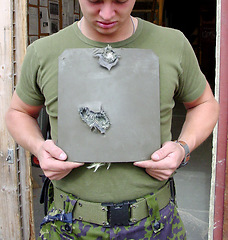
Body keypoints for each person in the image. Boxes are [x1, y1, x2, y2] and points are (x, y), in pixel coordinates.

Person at [5, 0, 219, 239]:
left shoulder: (172, 44)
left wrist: (182, 148)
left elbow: (204, 104)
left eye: (120, 0)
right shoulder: (44, 51)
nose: (107, 14)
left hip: (154, 222)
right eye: (95, 0)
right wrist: (38, 147)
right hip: (69, 225)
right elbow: (19, 112)